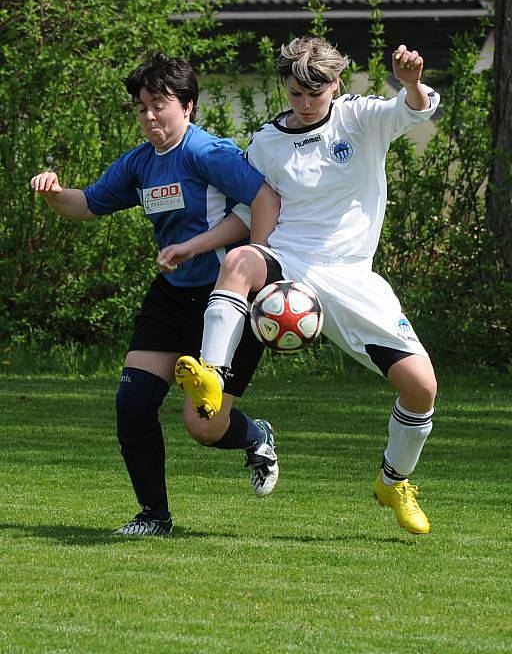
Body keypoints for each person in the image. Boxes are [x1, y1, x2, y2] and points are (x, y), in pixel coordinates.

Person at [175, 37, 440, 535]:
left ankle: (394, 481)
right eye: (294, 93)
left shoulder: (360, 118)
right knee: (239, 261)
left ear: (335, 84)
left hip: (352, 277)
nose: (302, 103)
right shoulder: (267, 142)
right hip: (289, 257)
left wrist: (409, 82)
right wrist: (193, 247)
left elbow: (414, 108)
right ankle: (211, 371)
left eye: (313, 94)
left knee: (422, 388)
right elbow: (250, 209)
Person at [30, 52, 281, 538]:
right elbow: (87, 204)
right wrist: (54, 191)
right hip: (171, 297)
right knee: (133, 405)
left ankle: (255, 435)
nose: (149, 117)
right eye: (142, 107)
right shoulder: (140, 164)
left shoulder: (209, 154)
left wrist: (263, 269)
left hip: (224, 302)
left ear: (187, 106)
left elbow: (266, 200)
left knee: (202, 426)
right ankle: (154, 516)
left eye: (159, 105)